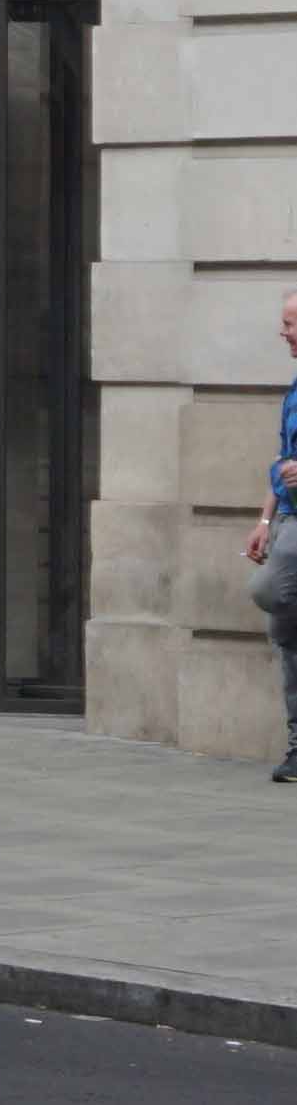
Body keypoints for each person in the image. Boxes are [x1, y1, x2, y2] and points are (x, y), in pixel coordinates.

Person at [247, 288, 297, 783]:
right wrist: (264, 522)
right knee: (285, 631)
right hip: (288, 519)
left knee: (269, 591)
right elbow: (282, 460)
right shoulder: (295, 389)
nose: (283, 332)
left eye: (290, 323)